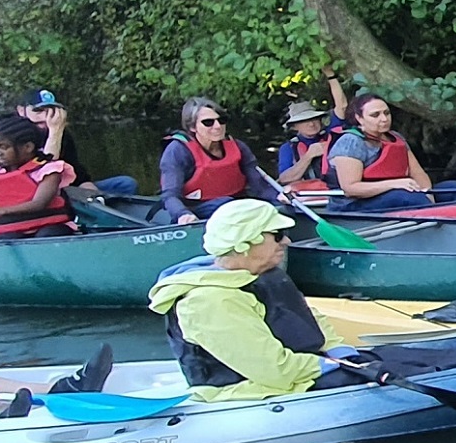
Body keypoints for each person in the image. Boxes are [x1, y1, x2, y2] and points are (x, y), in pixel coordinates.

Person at [149, 201, 372, 401]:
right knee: (383, 374)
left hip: (303, 370)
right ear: (245, 243)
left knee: (398, 359)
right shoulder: (208, 301)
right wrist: (332, 365)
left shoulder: (261, 273)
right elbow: (274, 370)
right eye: (277, 234)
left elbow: (307, 320)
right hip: (249, 389)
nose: (286, 240)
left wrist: (337, 350)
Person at [0, 91, 134, 200]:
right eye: (38, 111)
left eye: (51, 110)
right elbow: (44, 170)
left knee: (125, 184)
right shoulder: (2, 137)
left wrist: (91, 194)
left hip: (61, 189)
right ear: (21, 110)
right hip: (19, 195)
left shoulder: (59, 132)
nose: (45, 116)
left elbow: (77, 173)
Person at [157, 97, 284, 225]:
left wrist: (279, 197)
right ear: (192, 127)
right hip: (197, 209)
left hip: (238, 205)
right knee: (226, 204)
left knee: (283, 208)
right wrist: (182, 214)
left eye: (221, 120)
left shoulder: (238, 147)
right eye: (208, 122)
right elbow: (170, 195)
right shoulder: (178, 151)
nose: (217, 126)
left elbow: (260, 186)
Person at [324, 94, 435, 214]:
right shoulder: (351, 141)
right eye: (375, 115)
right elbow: (350, 188)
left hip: (395, 194)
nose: (384, 119)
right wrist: (395, 184)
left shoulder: (396, 137)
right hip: (352, 204)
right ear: (359, 118)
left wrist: (427, 193)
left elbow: (418, 173)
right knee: (407, 197)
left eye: (386, 113)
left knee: (452, 188)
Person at [274, 82, 352, 188]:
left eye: (314, 119)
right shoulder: (288, 148)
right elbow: (284, 179)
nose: (311, 124)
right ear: (294, 127)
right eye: (304, 121)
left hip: (338, 190)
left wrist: (331, 77)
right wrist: (309, 156)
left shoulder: (331, 134)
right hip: (308, 196)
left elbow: (342, 107)